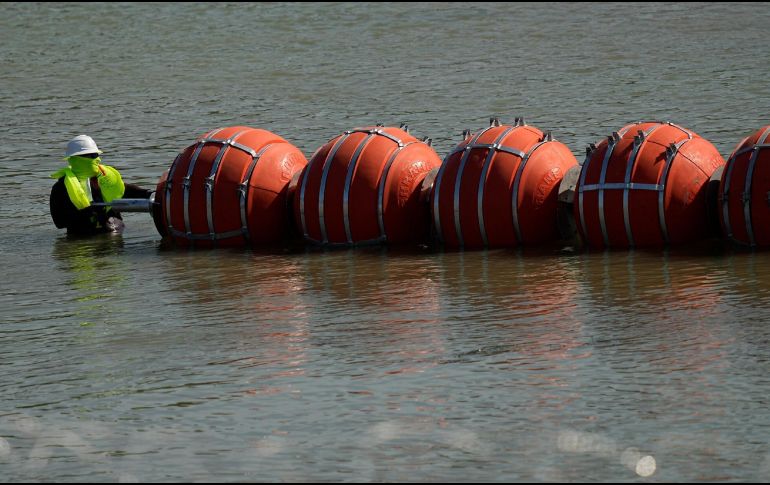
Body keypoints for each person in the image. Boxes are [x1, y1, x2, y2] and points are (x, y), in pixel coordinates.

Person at [50, 135, 152, 235]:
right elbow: (59, 223)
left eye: (97, 155)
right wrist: (88, 213)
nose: (97, 159)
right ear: (76, 158)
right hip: (83, 239)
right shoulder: (61, 188)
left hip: (114, 234)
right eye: (93, 156)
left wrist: (149, 194)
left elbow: (126, 191)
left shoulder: (105, 178)